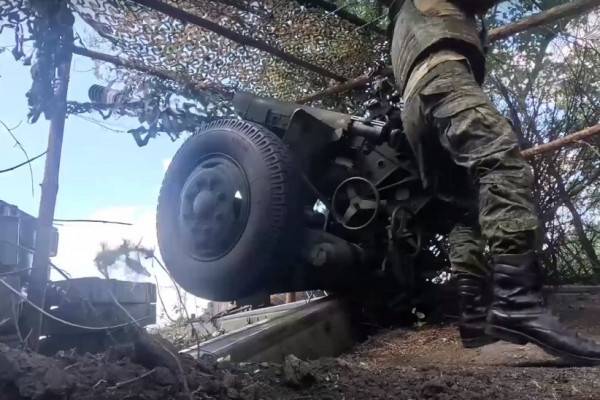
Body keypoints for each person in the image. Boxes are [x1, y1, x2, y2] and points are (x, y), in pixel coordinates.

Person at [387, 0, 600, 363]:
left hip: (413, 98)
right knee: (502, 163)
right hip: (442, 71)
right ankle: (516, 302)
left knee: (461, 210)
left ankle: (472, 318)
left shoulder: (400, 17)